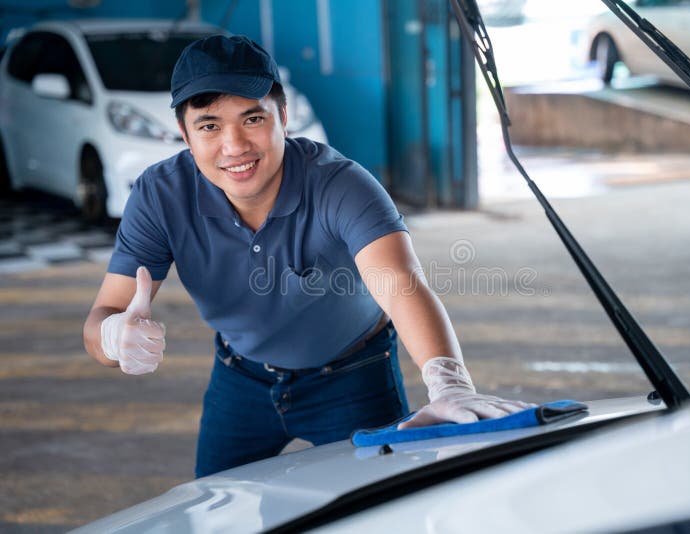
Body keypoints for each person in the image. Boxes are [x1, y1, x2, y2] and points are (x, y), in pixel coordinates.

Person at [83, 35, 530, 478]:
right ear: (184, 133)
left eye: (252, 118)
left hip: (353, 375)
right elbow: (104, 312)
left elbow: (399, 283)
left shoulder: (341, 184)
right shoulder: (160, 195)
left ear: (282, 116)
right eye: (209, 126)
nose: (234, 146)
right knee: (216, 511)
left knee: (375, 507)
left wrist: (448, 381)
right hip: (240, 381)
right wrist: (111, 335)